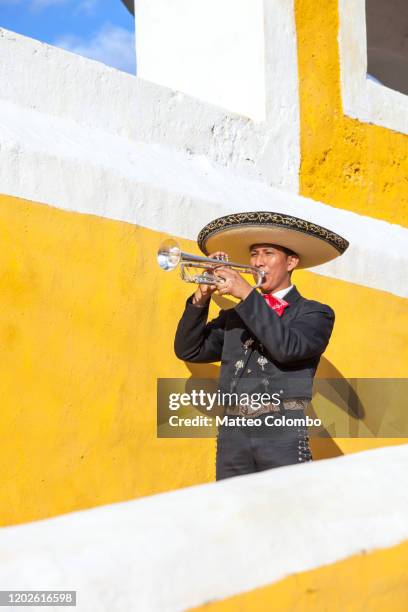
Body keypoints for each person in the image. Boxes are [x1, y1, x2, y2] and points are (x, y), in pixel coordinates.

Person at [174, 211, 348, 480]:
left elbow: (288, 348)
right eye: (254, 254)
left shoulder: (315, 313)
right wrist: (201, 298)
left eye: (268, 253)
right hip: (233, 432)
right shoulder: (235, 316)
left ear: (291, 262)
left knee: (284, 512)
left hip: (281, 428)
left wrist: (245, 293)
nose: (258, 262)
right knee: (235, 514)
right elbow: (190, 350)